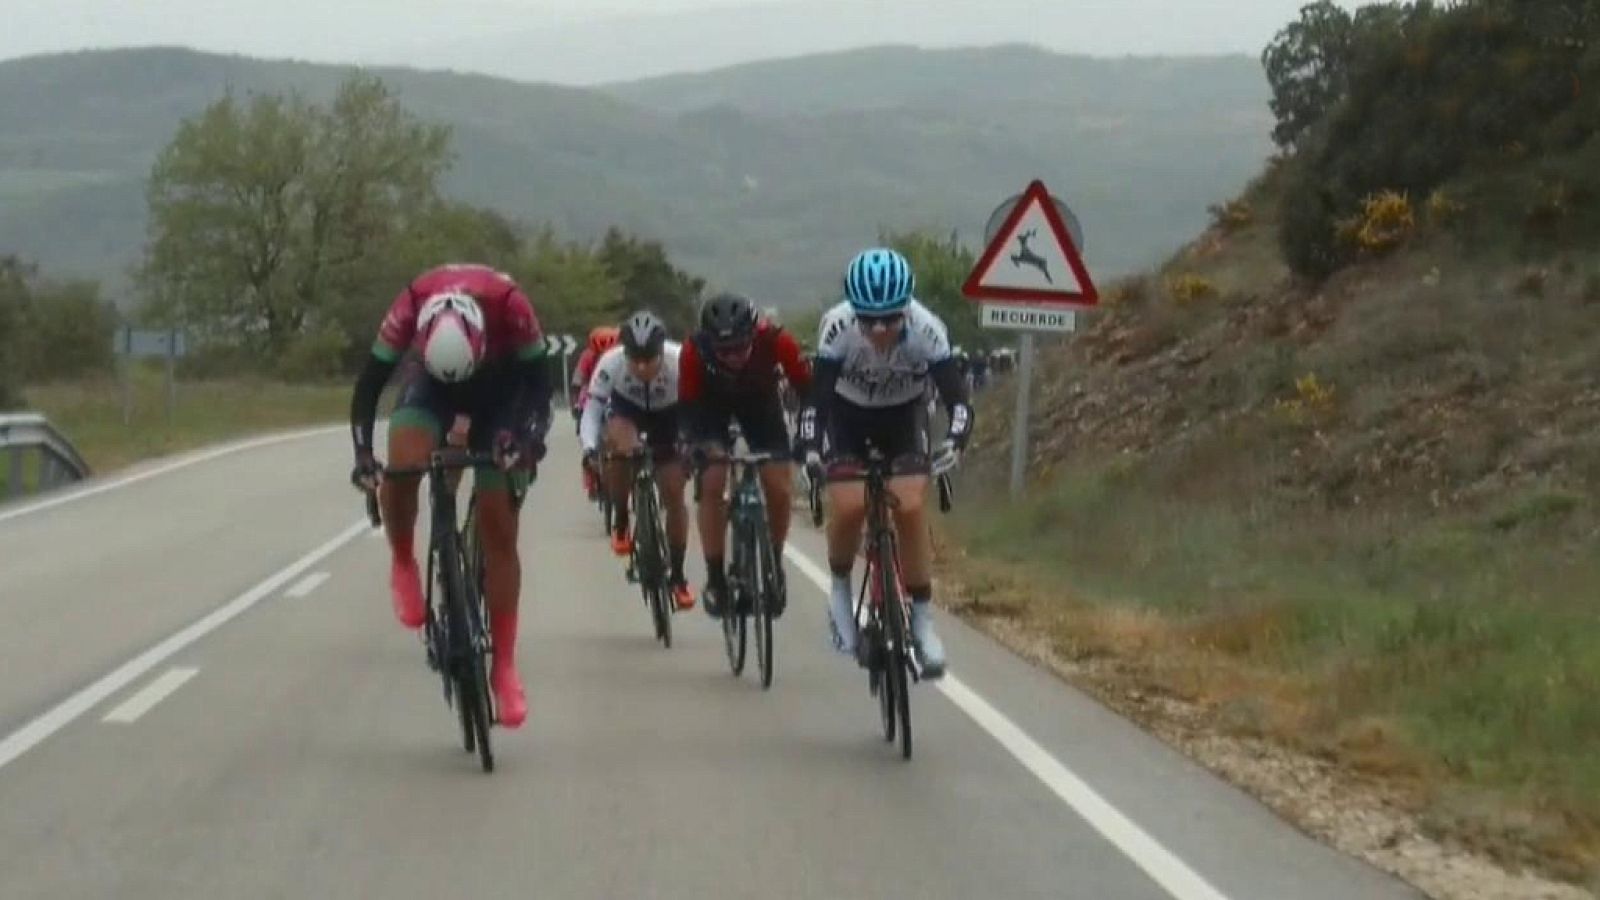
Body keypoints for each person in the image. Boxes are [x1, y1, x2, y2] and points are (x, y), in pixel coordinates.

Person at [348, 263, 552, 728]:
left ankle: (503, 666)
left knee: (499, 526)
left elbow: (541, 389)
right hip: (430, 388)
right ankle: (403, 559)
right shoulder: (411, 303)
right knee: (401, 464)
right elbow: (369, 387)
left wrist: (526, 439)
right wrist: (363, 454)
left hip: (502, 394)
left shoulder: (509, 304)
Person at [796, 247, 972, 678]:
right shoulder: (836, 327)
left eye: (890, 318)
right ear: (853, 312)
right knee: (852, 504)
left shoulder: (928, 329)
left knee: (909, 507)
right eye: (867, 318)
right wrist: (811, 450)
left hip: (903, 416)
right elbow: (816, 401)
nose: (878, 329)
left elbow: (957, 399)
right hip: (848, 417)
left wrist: (955, 439)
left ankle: (923, 621)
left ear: (906, 309)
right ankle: (839, 592)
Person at [679, 292, 812, 618]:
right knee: (711, 483)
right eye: (724, 351)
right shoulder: (694, 350)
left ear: (755, 333)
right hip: (711, 410)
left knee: (779, 487)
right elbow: (688, 406)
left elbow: (808, 388)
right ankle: (715, 578)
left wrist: (808, 438)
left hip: (760, 406)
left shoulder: (778, 341)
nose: (733, 356)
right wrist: (693, 447)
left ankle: (774, 563)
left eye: (740, 347)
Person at [579, 311, 695, 611]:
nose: (642, 367)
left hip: (671, 414)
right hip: (627, 410)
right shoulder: (612, 362)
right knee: (619, 447)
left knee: (674, 493)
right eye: (635, 360)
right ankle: (620, 517)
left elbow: (701, 408)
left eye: (649, 360)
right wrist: (590, 449)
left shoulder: (680, 360)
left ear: (660, 352)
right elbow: (592, 410)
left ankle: (679, 576)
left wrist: (692, 444)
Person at [573, 326, 621, 498]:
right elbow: (577, 382)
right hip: (591, 393)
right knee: (585, 433)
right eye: (599, 353)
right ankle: (591, 477)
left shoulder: (621, 357)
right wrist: (576, 407)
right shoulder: (587, 357)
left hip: (615, 392)